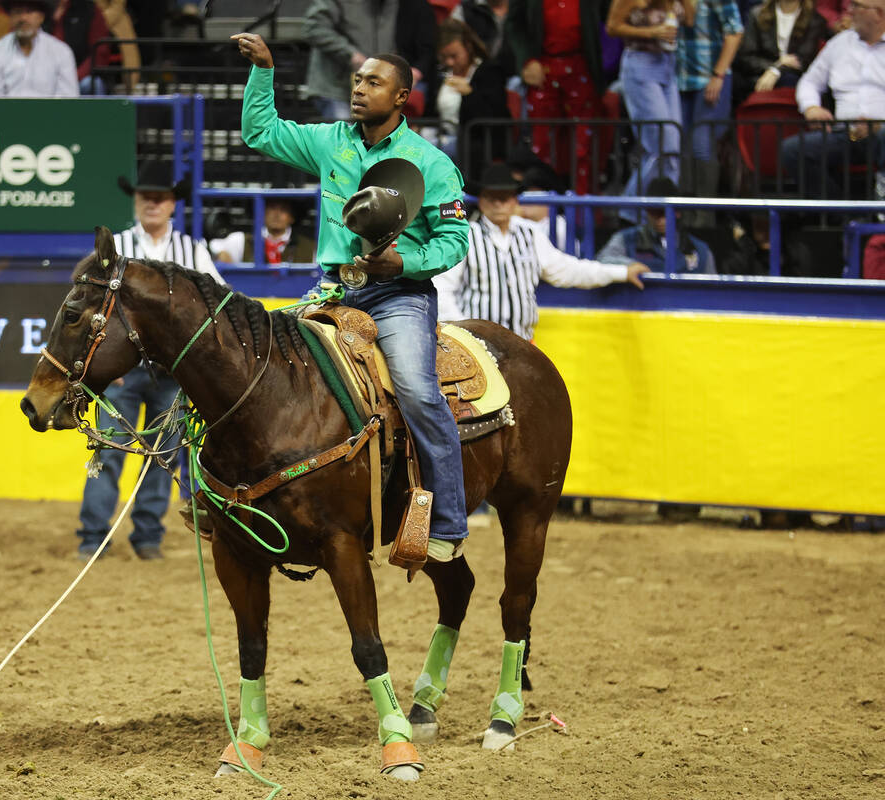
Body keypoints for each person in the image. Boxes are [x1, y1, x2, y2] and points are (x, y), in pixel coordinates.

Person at [234, 32, 473, 562]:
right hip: (331, 290)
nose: (360, 89)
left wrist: (403, 262)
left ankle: (450, 522)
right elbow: (260, 131)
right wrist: (265, 71)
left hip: (398, 296)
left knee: (415, 387)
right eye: (358, 80)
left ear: (402, 97)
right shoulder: (331, 141)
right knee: (254, 363)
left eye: (373, 82)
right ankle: (231, 500)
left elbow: (456, 239)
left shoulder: (430, 162)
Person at [75, 162, 223, 562]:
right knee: (109, 452)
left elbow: (216, 305)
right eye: (146, 197)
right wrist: (104, 366)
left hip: (172, 376)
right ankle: (93, 537)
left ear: (173, 204)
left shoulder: (193, 250)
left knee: (162, 458)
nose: (153, 204)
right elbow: (89, 308)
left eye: (160, 198)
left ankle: (146, 538)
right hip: (123, 374)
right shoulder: (114, 248)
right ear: (137, 201)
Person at [434, 164, 649, 338]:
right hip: (478, 345)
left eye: (505, 197)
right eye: (492, 197)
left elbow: (567, 269)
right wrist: (464, 333)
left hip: (523, 344)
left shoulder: (531, 234)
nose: (499, 203)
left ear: (514, 201)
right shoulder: (466, 236)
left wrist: (621, 272)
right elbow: (443, 289)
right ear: (481, 201)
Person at [779, 0, 885, 200]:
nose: (849, 12)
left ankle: (881, 212)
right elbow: (809, 82)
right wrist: (811, 107)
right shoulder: (839, 44)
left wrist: (878, 124)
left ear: (878, 13)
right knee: (793, 150)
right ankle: (843, 215)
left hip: (882, 133)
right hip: (844, 132)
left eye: (856, 6)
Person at [505, 0, 612, 196]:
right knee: (543, 145)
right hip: (542, 67)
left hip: (582, 67)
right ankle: (542, 211)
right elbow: (514, 24)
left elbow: (611, 17)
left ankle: (582, 213)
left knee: (584, 146)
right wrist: (526, 60)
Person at [608, 1, 695, 198]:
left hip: (668, 65)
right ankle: (632, 210)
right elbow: (612, 27)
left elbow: (689, 20)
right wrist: (652, 33)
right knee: (663, 146)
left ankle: (665, 211)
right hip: (640, 64)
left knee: (672, 149)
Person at [675, 0, 744, 202]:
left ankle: (704, 214)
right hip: (679, 79)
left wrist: (718, 74)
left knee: (701, 144)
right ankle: (685, 213)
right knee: (681, 146)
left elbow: (735, 31)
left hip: (711, 78)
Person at [301, 0, 398, 120]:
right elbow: (314, 28)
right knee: (344, 136)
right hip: (335, 88)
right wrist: (351, 54)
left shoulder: (391, 3)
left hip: (373, 90)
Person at [598, 176, 718, 272]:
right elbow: (601, 261)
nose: (660, 219)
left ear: (678, 213)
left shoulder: (700, 250)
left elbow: (714, 294)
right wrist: (630, 265)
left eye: (665, 213)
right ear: (647, 212)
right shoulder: (627, 239)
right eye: (654, 212)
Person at [434, 18, 511, 165]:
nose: (449, 62)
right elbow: (431, 111)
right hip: (444, 136)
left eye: (454, 56)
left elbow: (495, 115)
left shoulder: (489, 71)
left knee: (433, 152)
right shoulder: (440, 74)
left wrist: (470, 93)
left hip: (477, 143)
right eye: (444, 57)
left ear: (468, 46)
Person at [732, 0, 827, 106]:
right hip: (757, 73)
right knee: (734, 81)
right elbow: (746, 56)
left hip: (792, 76)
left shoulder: (815, 21)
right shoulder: (756, 14)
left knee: (790, 80)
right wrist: (776, 65)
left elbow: (803, 61)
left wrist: (776, 70)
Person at [0, 0, 76, 97]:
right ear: (10, 17)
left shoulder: (61, 52)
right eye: (17, 12)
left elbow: (67, 98)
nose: (23, 18)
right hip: (5, 111)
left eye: (29, 12)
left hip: (51, 112)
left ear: (41, 17)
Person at [49, 0, 140, 95]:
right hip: (56, 76)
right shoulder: (52, 13)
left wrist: (74, 77)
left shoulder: (91, 12)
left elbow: (98, 55)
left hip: (82, 75)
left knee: (91, 83)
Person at [211, 198, 318, 265]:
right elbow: (214, 245)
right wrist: (221, 254)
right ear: (262, 212)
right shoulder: (241, 240)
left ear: (292, 217)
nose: (276, 214)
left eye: (283, 209)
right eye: (272, 208)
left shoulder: (311, 248)